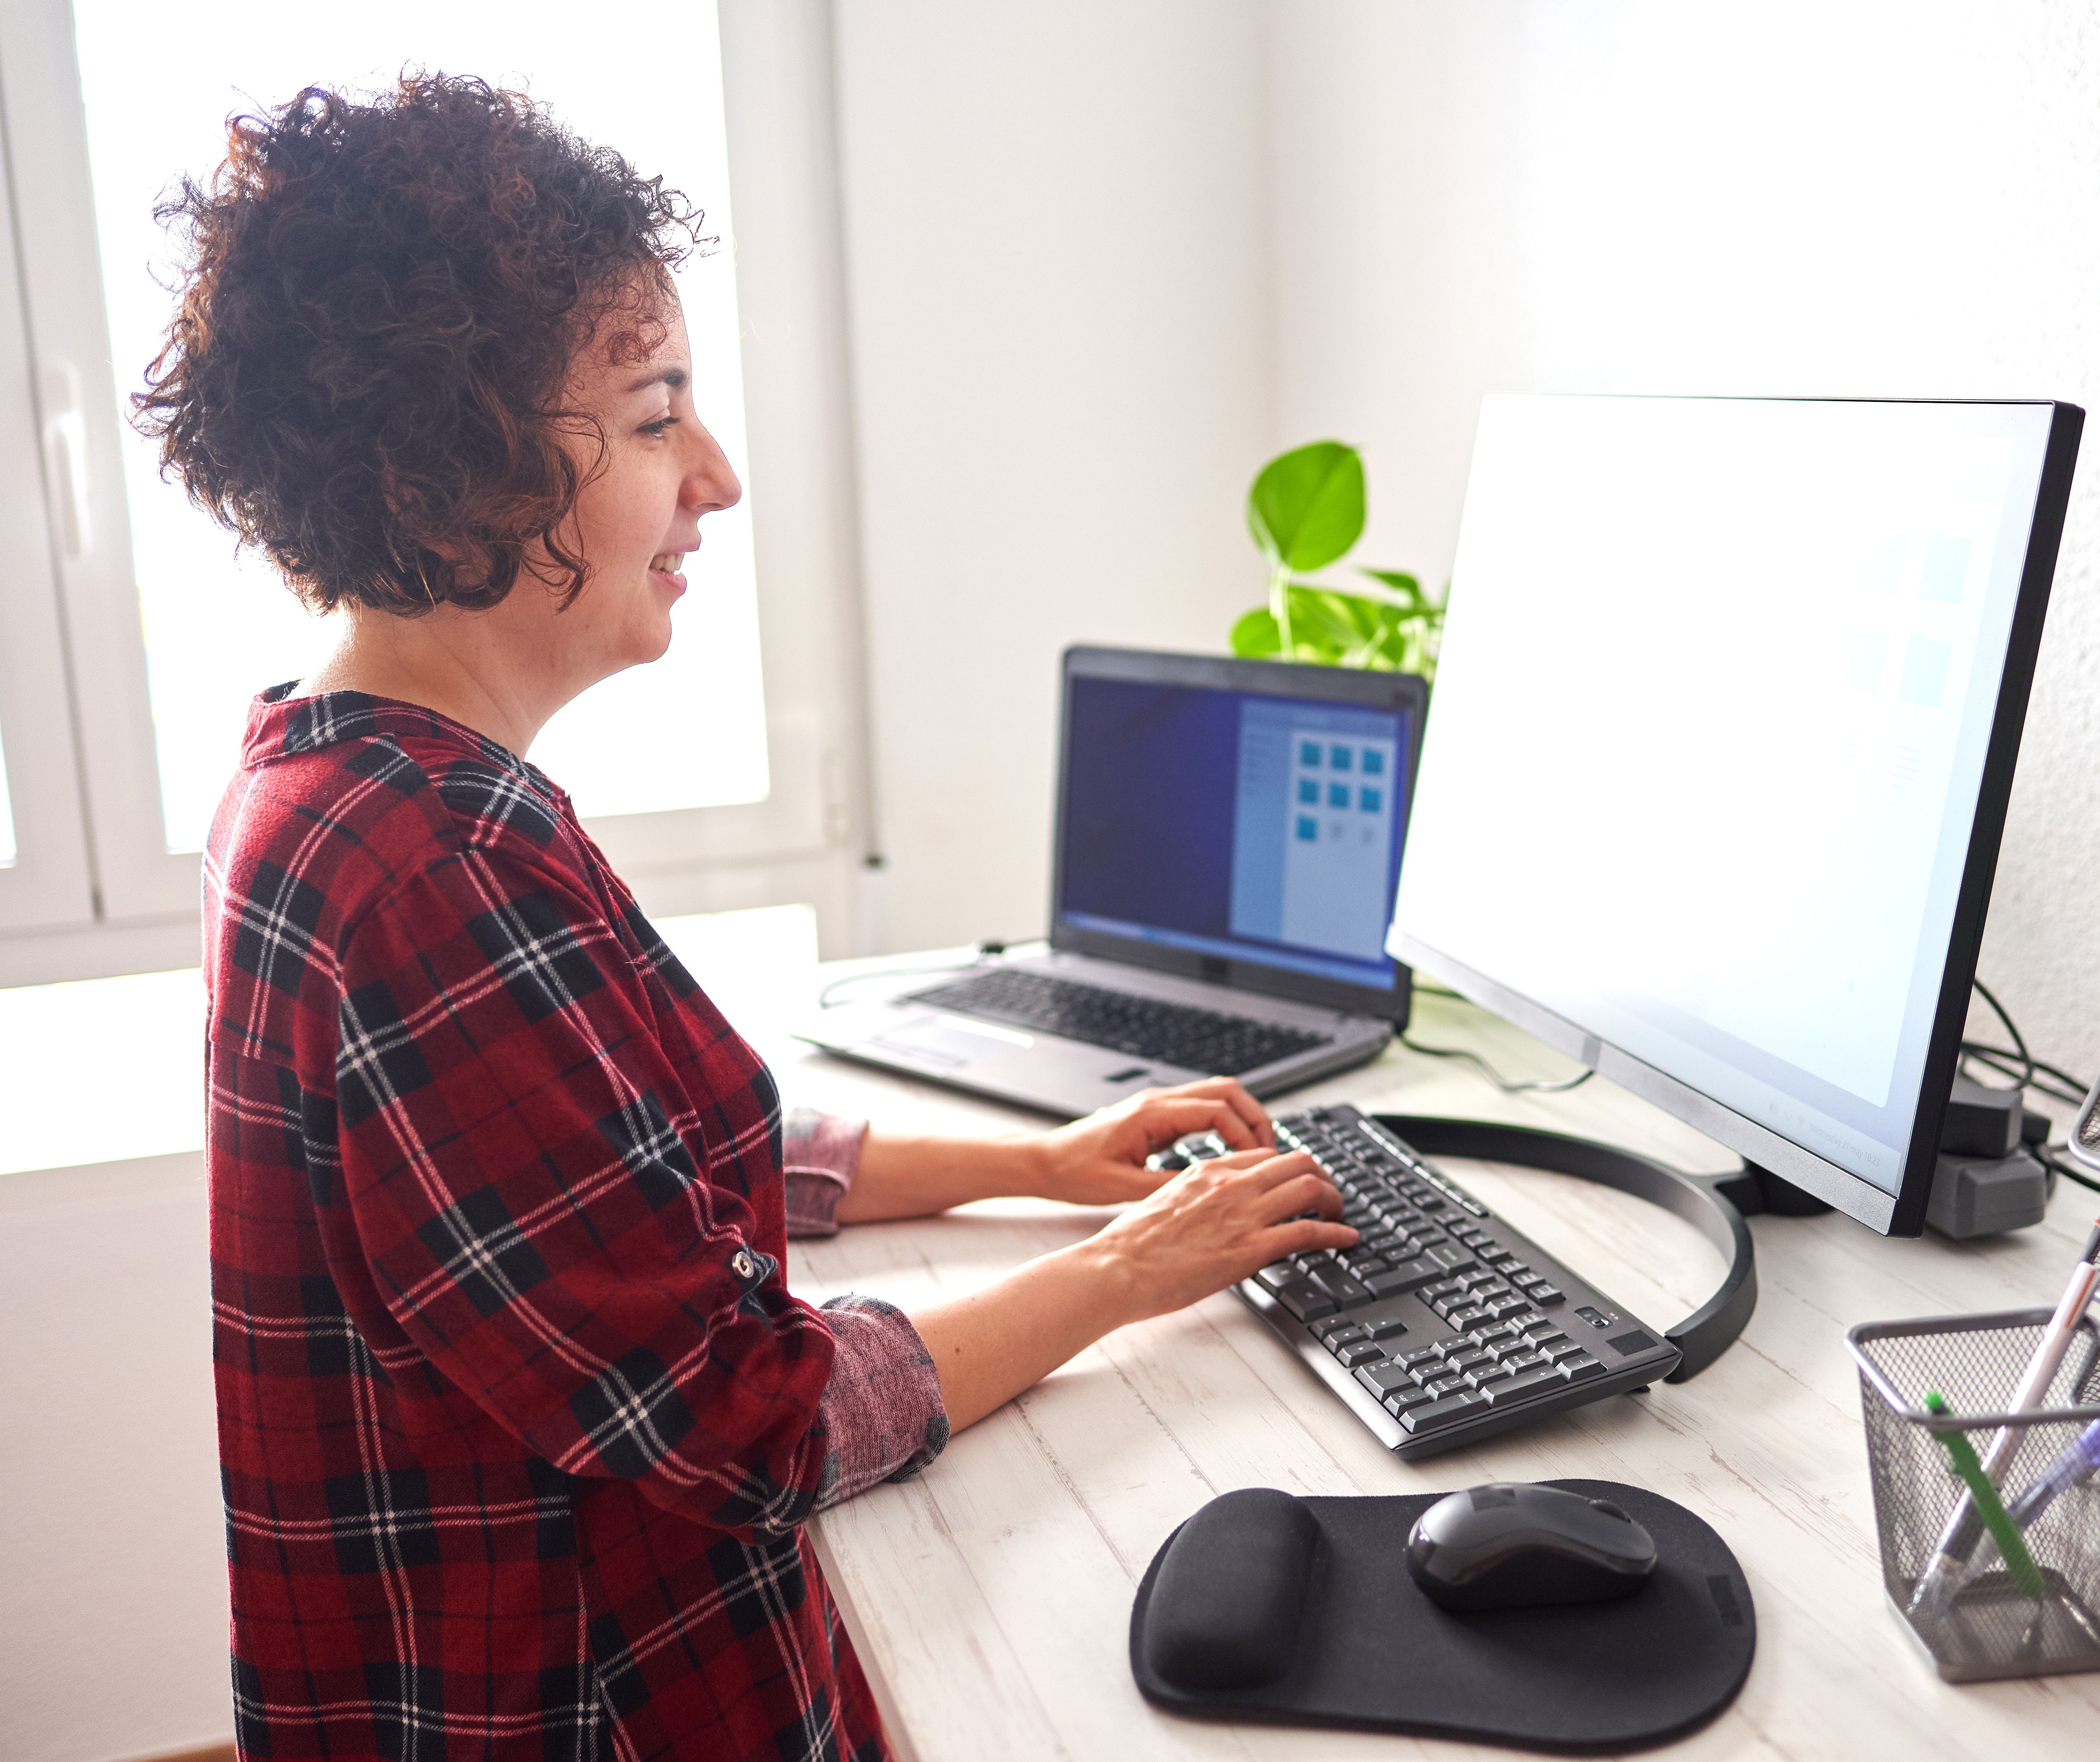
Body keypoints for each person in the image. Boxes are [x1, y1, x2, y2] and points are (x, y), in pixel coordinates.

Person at [153, 75, 1357, 1762]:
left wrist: (1030, 1166)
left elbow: (610, 1181)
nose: (715, 474)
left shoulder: (341, 777)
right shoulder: (430, 877)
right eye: (654, 422)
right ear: (450, 474)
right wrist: (1131, 1269)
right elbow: (749, 1422)